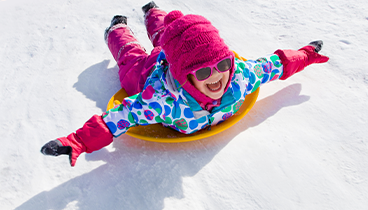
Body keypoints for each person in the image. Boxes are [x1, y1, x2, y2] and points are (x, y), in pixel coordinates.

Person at [41, 1, 329, 166]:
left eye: (223, 65)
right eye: (203, 73)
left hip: (175, 56)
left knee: (168, 32)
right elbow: (120, 117)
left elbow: (274, 65)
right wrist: (78, 140)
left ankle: (152, 11)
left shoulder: (239, 76)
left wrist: (306, 54)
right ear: (185, 76)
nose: (217, 77)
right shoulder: (162, 101)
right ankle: (116, 29)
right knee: (131, 56)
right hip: (146, 73)